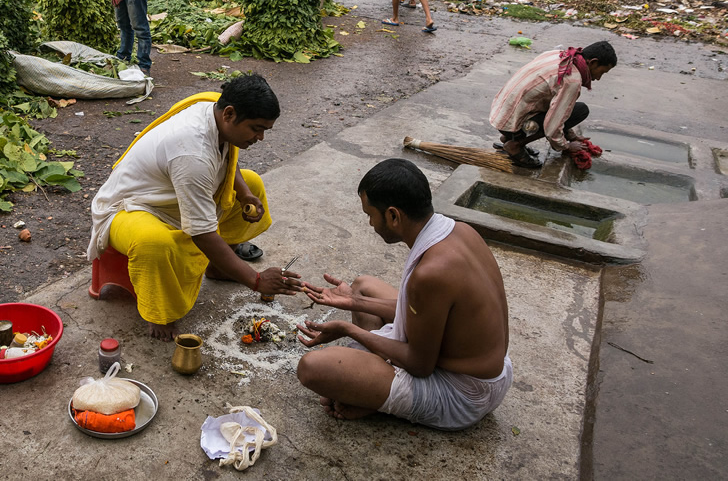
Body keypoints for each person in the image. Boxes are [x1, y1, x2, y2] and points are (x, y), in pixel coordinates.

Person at [295, 159, 512, 430]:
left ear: (393, 216)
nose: (370, 223)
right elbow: (427, 313)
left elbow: (420, 364)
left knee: (312, 368)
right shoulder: (461, 231)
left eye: (370, 215)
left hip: (464, 394)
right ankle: (371, 384)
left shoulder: (430, 274)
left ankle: (373, 395)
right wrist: (354, 300)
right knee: (363, 285)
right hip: (490, 370)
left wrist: (347, 329)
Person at [88, 74, 299, 340]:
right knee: (154, 242)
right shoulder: (192, 153)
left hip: (173, 194)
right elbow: (203, 234)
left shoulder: (215, 107)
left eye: (266, 130)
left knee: (253, 184)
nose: (261, 137)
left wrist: (244, 194)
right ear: (230, 114)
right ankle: (159, 313)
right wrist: (255, 281)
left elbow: (224, 157)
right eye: (257, 128)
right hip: (130, 208)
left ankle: (218, 268)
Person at [489, 41, 617, 169]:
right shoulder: (572, 80)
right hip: (513, 121)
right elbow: (553, 126)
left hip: (501, 114)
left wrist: (571, 135)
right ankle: (515, 145)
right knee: (580, 110)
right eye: (602, 72)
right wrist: (566, 145)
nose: (599, 78)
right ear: (593, 62)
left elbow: (556, 106)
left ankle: (509, 137)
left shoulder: (559, 54)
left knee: (565, 108)